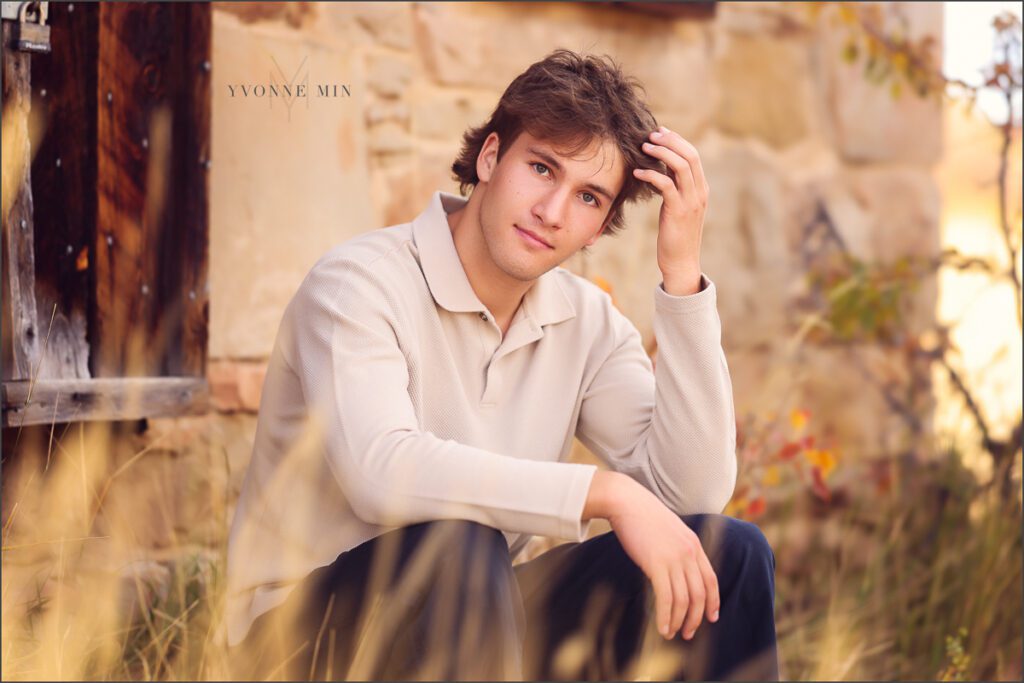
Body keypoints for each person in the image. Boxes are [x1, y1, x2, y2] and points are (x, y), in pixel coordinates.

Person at [224, 48, 779, 681]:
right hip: (297, 641)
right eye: (541, 168)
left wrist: (682, 277)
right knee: (458, 547)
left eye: (589, 198)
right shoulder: (358, 285)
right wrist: (605, 492)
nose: (553, 211)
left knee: (727, 551)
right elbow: (379, 470)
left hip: (477, 626)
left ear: (598, 229)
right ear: (491, 156)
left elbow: (694, 494)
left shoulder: (587, 324)